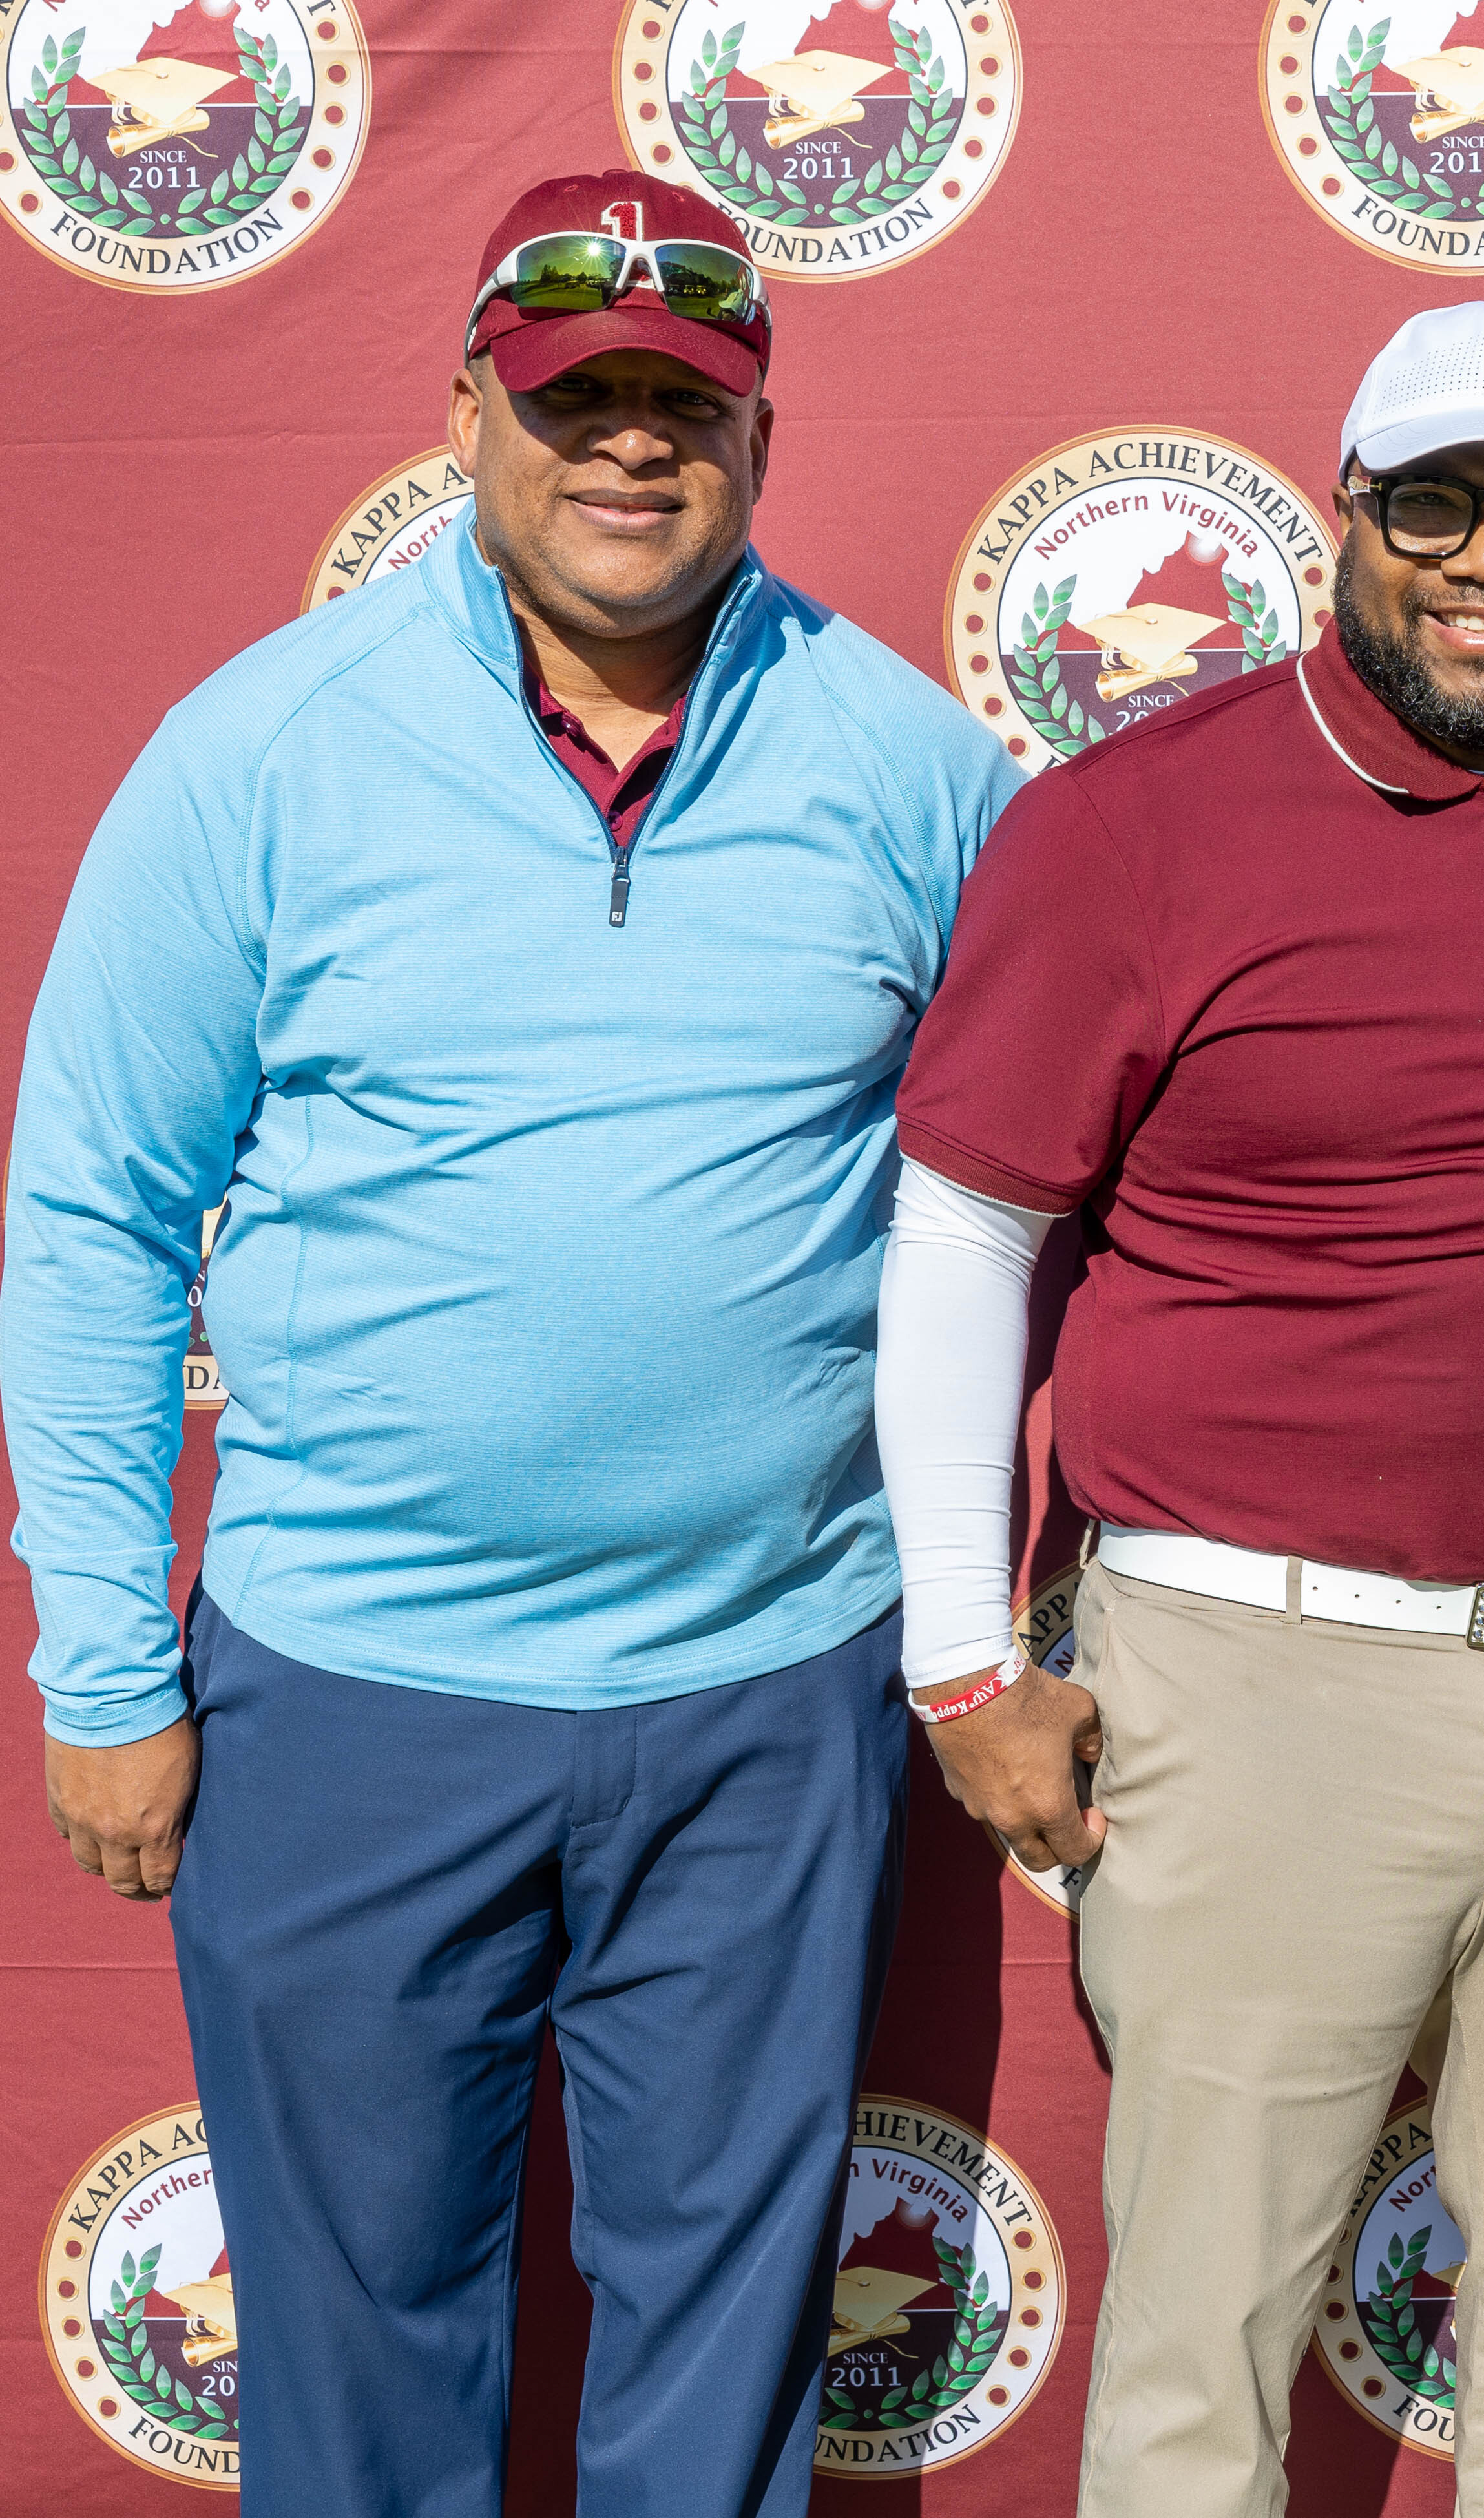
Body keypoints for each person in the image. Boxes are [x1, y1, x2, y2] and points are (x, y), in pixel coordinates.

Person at [3, 171, 1011, 2514]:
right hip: (353, 1697)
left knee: (722, 2378)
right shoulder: (267, 751)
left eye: (686, 402)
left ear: (760, 440)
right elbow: (91, 1214)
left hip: (766, 1699)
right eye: (575, 399)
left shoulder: (910, 765)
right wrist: (102, 1666)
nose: (632, 444)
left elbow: (1035, 1200)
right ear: (468, 410)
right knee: (357, 2376)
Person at [878, 299, 1484, 2518]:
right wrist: (959, 1660)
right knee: (1202, 2351)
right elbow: (963, 1238)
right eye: (1437, 504)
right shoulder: (1136, 824)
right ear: (1347, 517)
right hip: (1257, 1674)